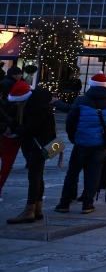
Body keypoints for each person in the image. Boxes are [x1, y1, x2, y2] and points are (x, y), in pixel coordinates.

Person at [55, 72, 106, 214]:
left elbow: (70, 122)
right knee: (94, 173)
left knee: (72, 172)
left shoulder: (81, 101)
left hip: (81, 142)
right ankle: (88, 204)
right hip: (101, 144)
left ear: (90, 85)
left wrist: (74, 138)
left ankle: (64, 203)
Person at [3, 80, 55, 224]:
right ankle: (37, 209)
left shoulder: (36, 107)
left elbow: (29, 128)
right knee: (37, 177)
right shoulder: (34, 103)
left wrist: (14, 130)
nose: (17, 105)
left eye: (17, 102)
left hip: (39, 145)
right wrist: (11, 126)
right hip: (43, 144)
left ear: (22, 99)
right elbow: (18, 120)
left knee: (34, 177)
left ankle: (29, 211)